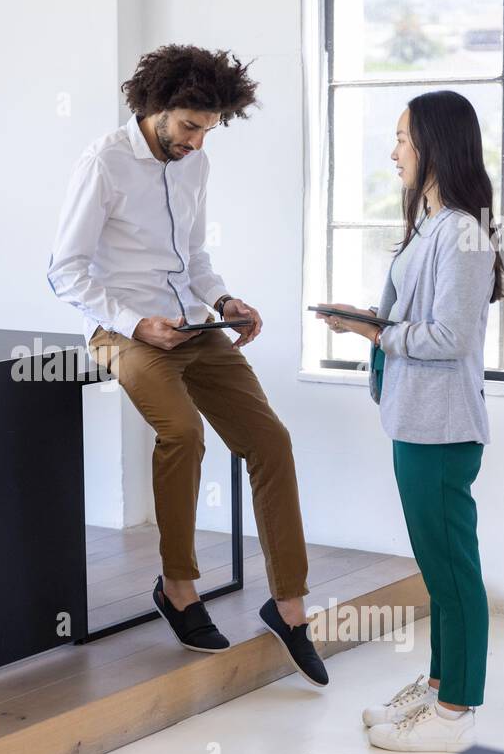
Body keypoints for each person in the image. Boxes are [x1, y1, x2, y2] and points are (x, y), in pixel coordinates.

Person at [47, 44, 326, 686]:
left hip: (195, 326)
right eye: (190, 126)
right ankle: (178, 586)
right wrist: (136, 322)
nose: (198, 142)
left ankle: (290, 607)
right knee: (183, 433)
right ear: (156, 107)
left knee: (270, 442)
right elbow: (66, 270)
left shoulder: (194, 166)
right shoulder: (103, 163)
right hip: (125, 331)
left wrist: (224, 300)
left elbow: (193, 258)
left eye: (209, 129)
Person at [316, 89, 504, 751]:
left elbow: (448, 336)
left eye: (402, 137)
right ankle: (436, 689)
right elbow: (410, 321)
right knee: (439, 569)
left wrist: (380, 332)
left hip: (443, 429)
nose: (393, 150)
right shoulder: (431, 223)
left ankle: (456, 712)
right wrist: (368, 323)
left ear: (434, 144)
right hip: (416, 420)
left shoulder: (460, 232)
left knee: (453, 570)